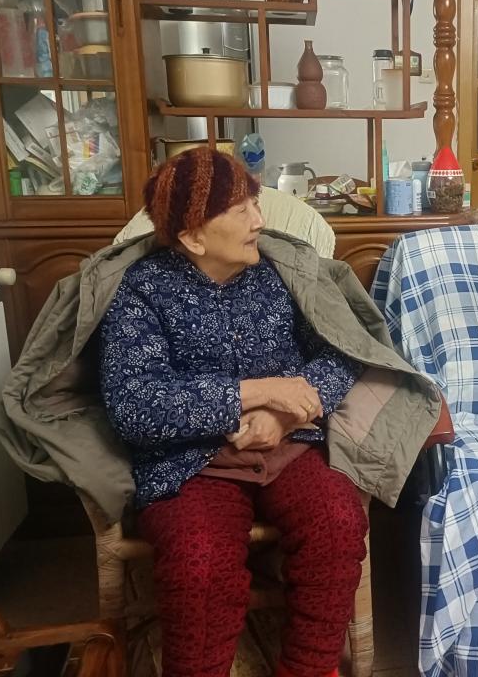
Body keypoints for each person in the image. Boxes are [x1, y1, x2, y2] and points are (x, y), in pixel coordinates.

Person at [99, 148, 363, 677]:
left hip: (289, 448)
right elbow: (135, 403)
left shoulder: (281, 275)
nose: (259, 221)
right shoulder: (142, 291)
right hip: (190, 463)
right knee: (199, 560)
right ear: (194, 237)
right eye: (241, 211)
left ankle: (310, 670)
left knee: (337, 520)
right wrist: (259, 391)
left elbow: (342, 353)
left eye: (255, 204)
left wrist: (284, 416)